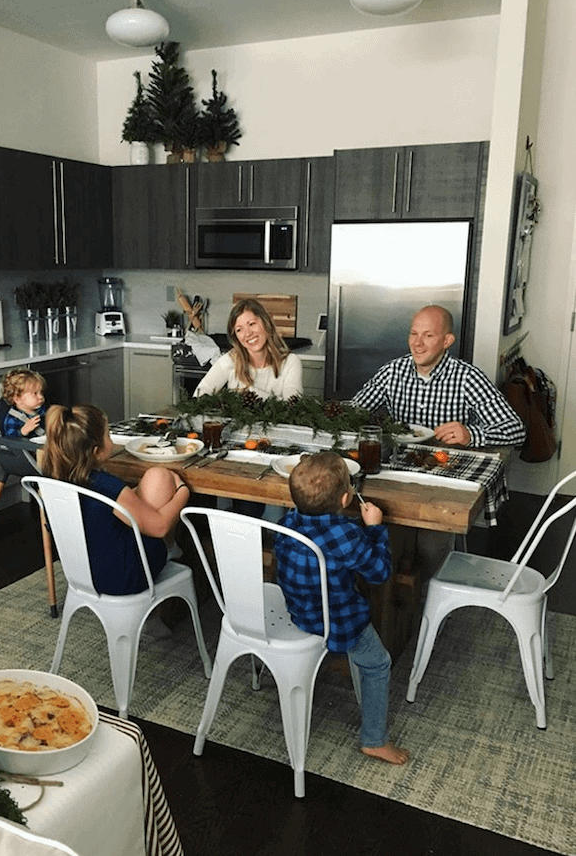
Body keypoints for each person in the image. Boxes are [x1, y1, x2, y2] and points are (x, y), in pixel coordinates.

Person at [274, 451, 409, 765]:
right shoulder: (347, 534)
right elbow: (379, 573)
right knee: (378, 664)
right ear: (347, 499)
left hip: (298, 610)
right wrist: (374, 528)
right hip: (339, 620)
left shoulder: (288, 520)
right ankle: (374, 740)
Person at [40, 403, 190, 597]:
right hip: (125, 577)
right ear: (95, 451)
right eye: (108, 435)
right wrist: (183, 492)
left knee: (156, 478)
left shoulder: (51, 480)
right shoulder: (104, 485)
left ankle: (169, 548)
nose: (110, 439)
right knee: (161, 478)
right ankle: (169, 549)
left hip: (81, 574)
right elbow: (160, 526)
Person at [351, 304, 526, 449]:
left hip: (450, 467)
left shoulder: (468, 378)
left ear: (447, 341)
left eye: (428, 335)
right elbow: (352, 412)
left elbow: (516, 431)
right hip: (400, 465)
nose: (417, 343)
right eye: (414, 333)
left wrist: (471, 434)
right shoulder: (392, 372)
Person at [194, 298, 303, 400]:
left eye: (252, 324)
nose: (248, 333)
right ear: (235, 337)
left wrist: (249, 393)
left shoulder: (290, 362)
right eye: (239, 330)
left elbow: (293, 407)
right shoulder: (229, 361)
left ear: (266, 323)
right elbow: (200, 395)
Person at [1, 368, 47, 439]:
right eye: (35, 393)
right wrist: (23, 431)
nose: (40, 397)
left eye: (41, 392)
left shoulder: (41, 409)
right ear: (18, 399)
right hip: (29, 448)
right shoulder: (13, 419)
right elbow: (9, 440)